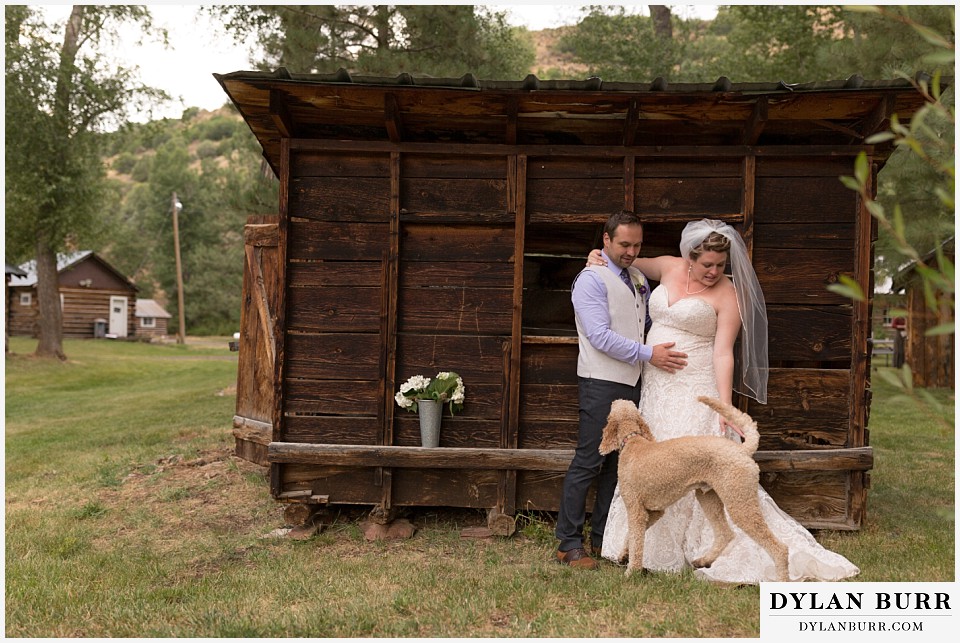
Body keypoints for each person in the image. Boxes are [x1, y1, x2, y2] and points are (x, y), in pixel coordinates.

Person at [589, 218, 859, 583]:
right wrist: (598, 257)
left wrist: (725, 407)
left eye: (720, 265)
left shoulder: (728, 294)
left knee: (694, 468)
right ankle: (644, 550)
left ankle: (713, 546)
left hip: (695, 387)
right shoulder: (668, 266)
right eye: (706, 265)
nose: (714, 272)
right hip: (657, 386)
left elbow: (723, 354)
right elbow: (628, 261)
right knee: (651, 467)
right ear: (690, 257)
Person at [555, 211, 688, 569]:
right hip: (601, 381)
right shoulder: (590, 279)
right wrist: (649, 353)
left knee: (619, 467)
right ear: (607, 240)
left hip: (634, 383)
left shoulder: (638, 278)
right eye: (624, 244)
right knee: (589, 461)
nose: (631, 251)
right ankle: (568, 543)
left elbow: (642, 323)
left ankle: (603, 540)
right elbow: (598, 336)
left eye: (637, 245)